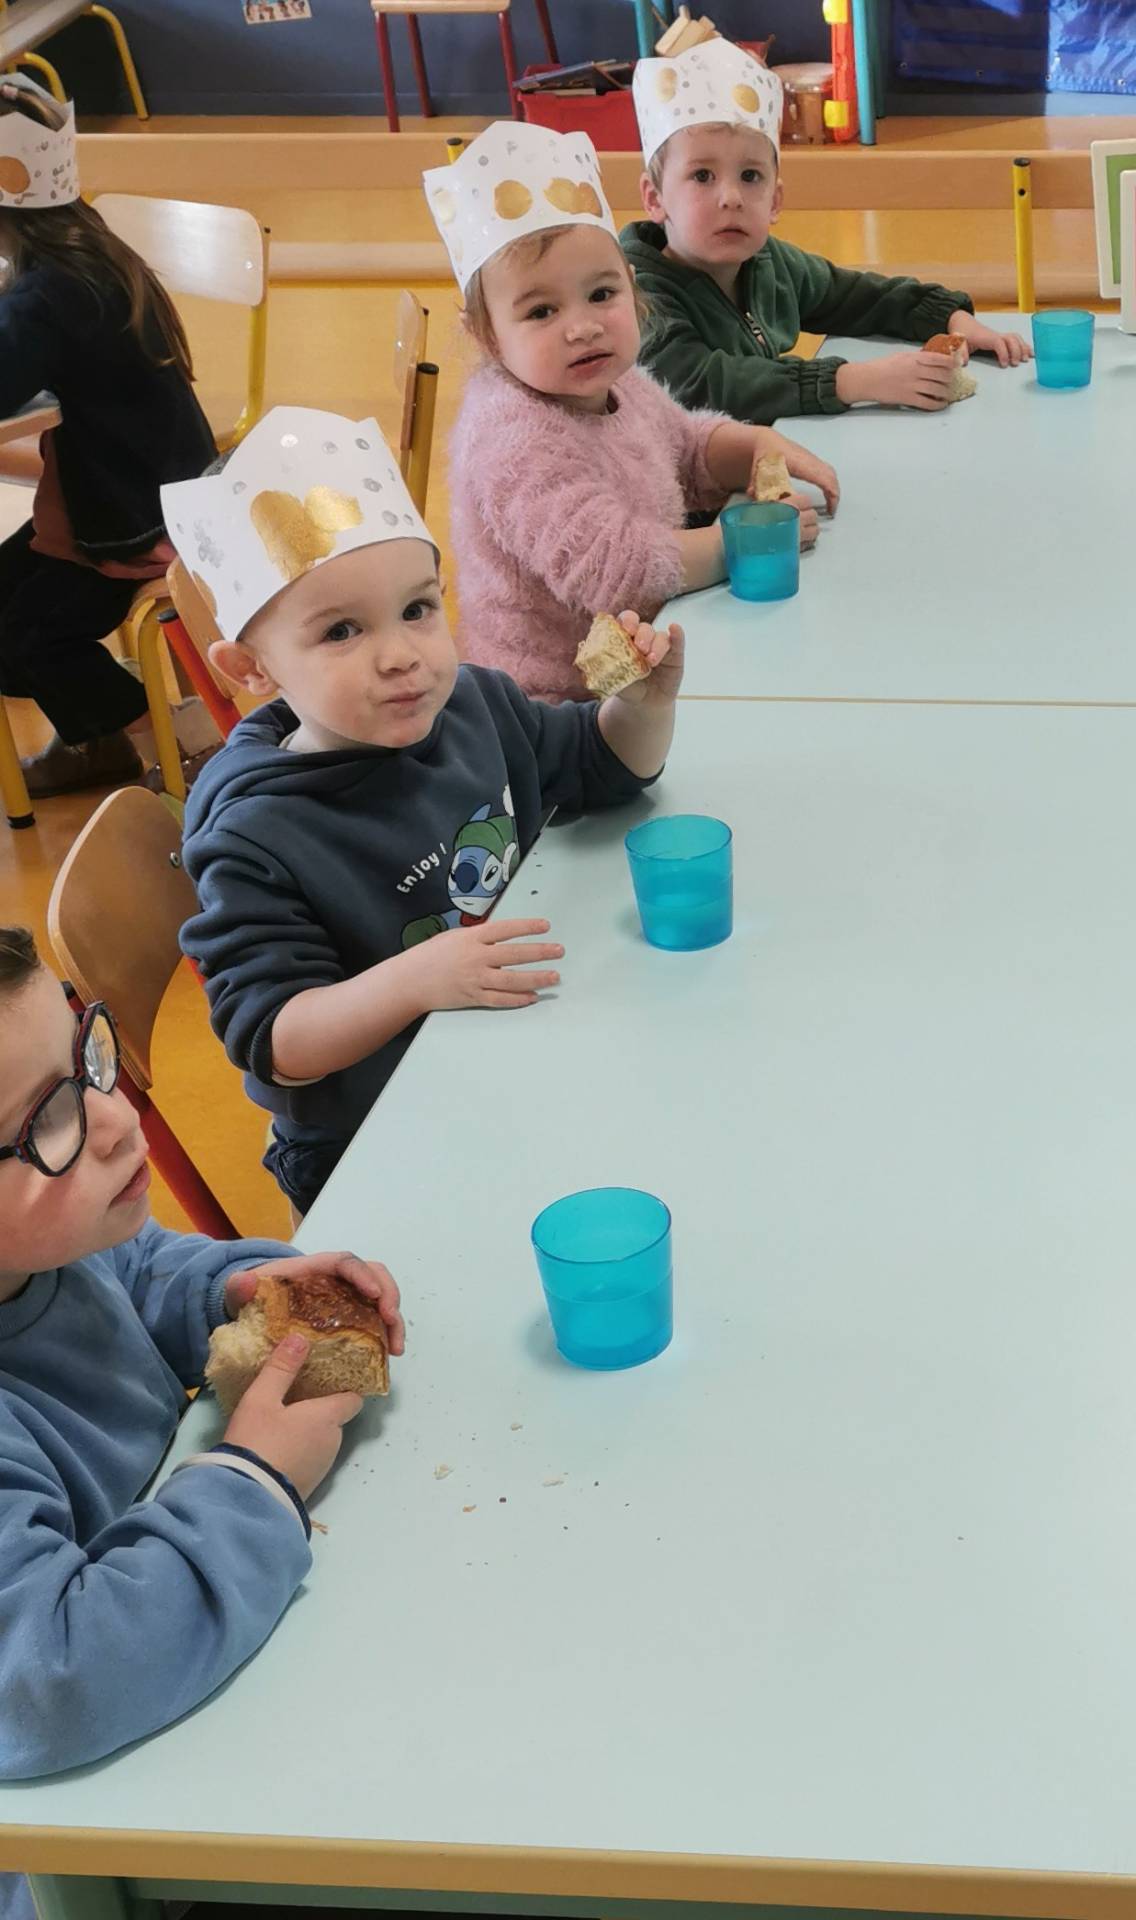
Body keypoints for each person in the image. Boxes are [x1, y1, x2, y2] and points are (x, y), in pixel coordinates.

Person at [167, 406, 685, 1221]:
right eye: (342, 631)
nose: (402, 655)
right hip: (376, 1145)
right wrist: (418, 980)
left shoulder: (473, 705)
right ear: (252, 670)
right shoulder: (256, 835)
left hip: (516, 1067)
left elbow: (603, 765)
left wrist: (644, 707)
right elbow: (275, 1040)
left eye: (417, 610)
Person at [0, 926, 405, 1851]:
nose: (115, 1118)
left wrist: (238, 1293)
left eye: (86, 1057)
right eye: (45, 1121)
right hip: (103, 1855)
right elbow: (49, 1681)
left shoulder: (50, 1246)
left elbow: (138, 1270)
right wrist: (258, 1476)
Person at [423, 122, 839, 705]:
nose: (583, 327)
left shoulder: (618, 382)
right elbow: (617, 570)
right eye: (541, 311)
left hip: (638, 668)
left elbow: (685, 447)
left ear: (633, 289)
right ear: (487, 335)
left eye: (601, 294)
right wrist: (743, 541)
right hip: (551, 706)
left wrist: (751, 445)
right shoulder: (510, 438)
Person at [621, 39, 1032, 427]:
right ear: (655, 198)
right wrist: (855, 381)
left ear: (775, 201)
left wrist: (949, 316)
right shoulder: (636, 295)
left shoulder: (770, 264)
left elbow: (857, 296)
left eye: (750, 176)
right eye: (702, 176)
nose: (731, 198)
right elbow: (702, 384)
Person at [0, 76, 216, 796]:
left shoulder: (46, 294)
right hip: (142, 491)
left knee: (31, 634)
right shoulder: (89, 248)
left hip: (129, 520)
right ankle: (96, 737)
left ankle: (170, 747)